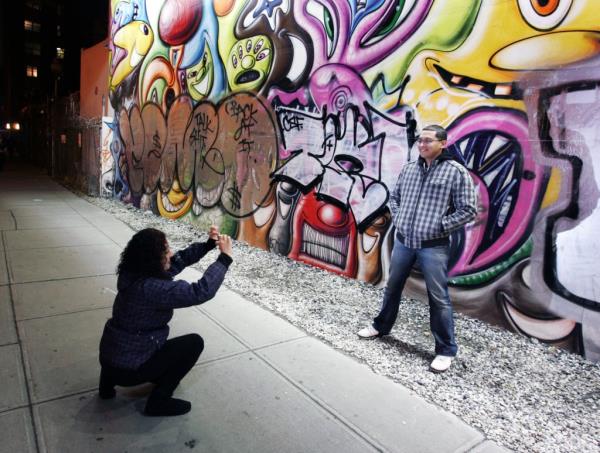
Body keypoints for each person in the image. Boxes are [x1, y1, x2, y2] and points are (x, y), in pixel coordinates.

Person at [357, 124, 477, 373]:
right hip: (403, 241)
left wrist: (440, 226)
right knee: (392, 287)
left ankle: (445, 350)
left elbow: (468, 209)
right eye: (420, 140)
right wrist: (399, 219)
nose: (422, 145)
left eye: (429, 141)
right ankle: (381, 326)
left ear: (443, 143)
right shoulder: (410, 169)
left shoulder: (455, 172)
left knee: (439, 298)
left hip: (433, 246)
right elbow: (395, 198)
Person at [98, 226, 233, 416]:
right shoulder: (152, 288)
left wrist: (208, 245)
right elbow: (200, 291)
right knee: (193, 343)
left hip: (108, 359)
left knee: (123, 340)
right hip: (131, 370)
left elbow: (178, 261)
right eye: (165, 250)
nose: (170, 253)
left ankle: (106, 388)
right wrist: (224, 258)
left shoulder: (132, 272)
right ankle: (159, 401)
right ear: (153, 258)